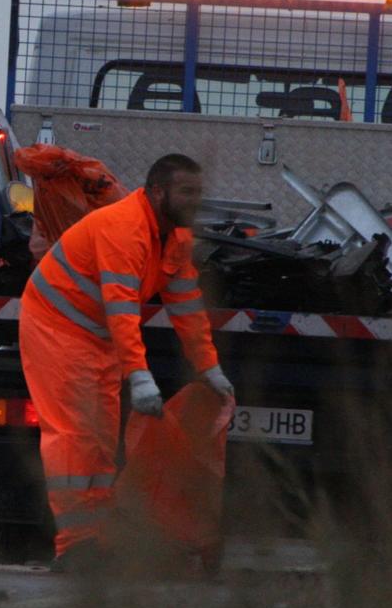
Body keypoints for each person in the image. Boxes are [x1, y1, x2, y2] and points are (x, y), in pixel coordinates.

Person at [18, 153, 234, 567]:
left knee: (98, 437)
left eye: (199, 192)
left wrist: (209, 367)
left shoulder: (173, 236)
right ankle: (73, 547)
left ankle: (92, 540)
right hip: (57, 326)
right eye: (186, 192)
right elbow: (122, 311)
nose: (195, 201)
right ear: (157, 192)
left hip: (90, 333)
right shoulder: (124, 230)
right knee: (74, 433)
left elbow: (186, 306)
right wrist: (140, 376)